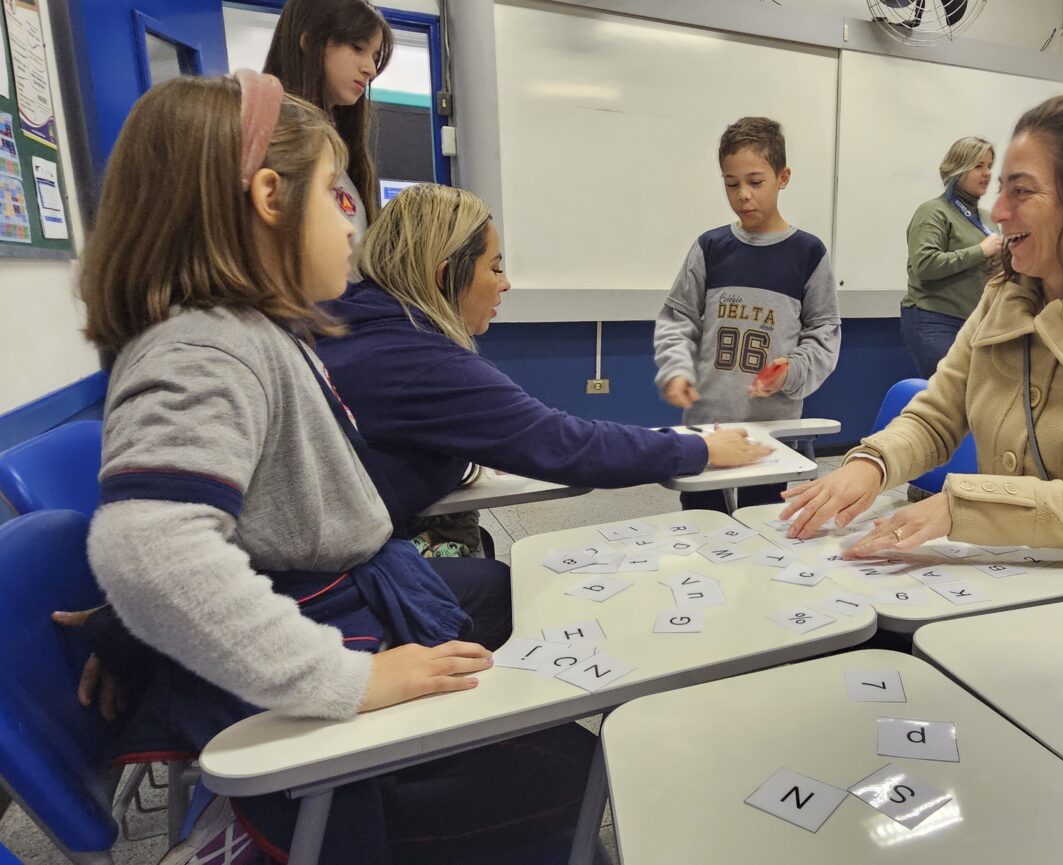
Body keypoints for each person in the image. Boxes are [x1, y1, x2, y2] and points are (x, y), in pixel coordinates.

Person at [78, 73, 590, 865]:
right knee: (577, 773)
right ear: (270, 197)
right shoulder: (208, 347)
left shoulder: (248, 335)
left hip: (320, 672)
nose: (353, 226)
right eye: (336, 196)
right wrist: (347, 681)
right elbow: (148, 551)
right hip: (313, 759)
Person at [781, 93, 1063, 554]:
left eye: (1021, 191)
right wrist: (871, 464)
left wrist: (960, 508)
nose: (1001, 212)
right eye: (1000, 189)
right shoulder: (1003, 297)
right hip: (1003, 570)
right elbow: (938, 415)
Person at [319, 183, 771, 548]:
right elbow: (566, 445)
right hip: (345, 573)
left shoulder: (358, 318)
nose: (505, 283)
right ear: (444, 275)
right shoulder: (419, 360)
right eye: (494, 268)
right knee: (494, 588)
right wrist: (701, 450)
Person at [654, 116, 841, 512]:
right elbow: (677, 318)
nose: (743, 195)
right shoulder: (711, 247)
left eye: (756, 182)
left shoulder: (807, 253)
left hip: (771, 427)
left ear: (783, 176)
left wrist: (792, 371)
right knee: (703, 523)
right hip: (707, 423)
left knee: (762, 524)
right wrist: (675, 367)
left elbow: (824, 331)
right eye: (731, 183)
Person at [263, 0, 392, 237]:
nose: (371, 70)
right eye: (357, 48)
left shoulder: (336, 143)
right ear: (310, 41)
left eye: (374, 56)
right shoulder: (274, 135)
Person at [900, 136, 1004, 377]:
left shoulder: (987, 218)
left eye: (989, 165)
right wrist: (981, 250)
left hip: (976, 321)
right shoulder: (933, 212)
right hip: (935, 319)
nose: (987, 173)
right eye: (978, 166)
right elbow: (926, 265)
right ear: (958, 169)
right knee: (949, 394)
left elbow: (988, 269)